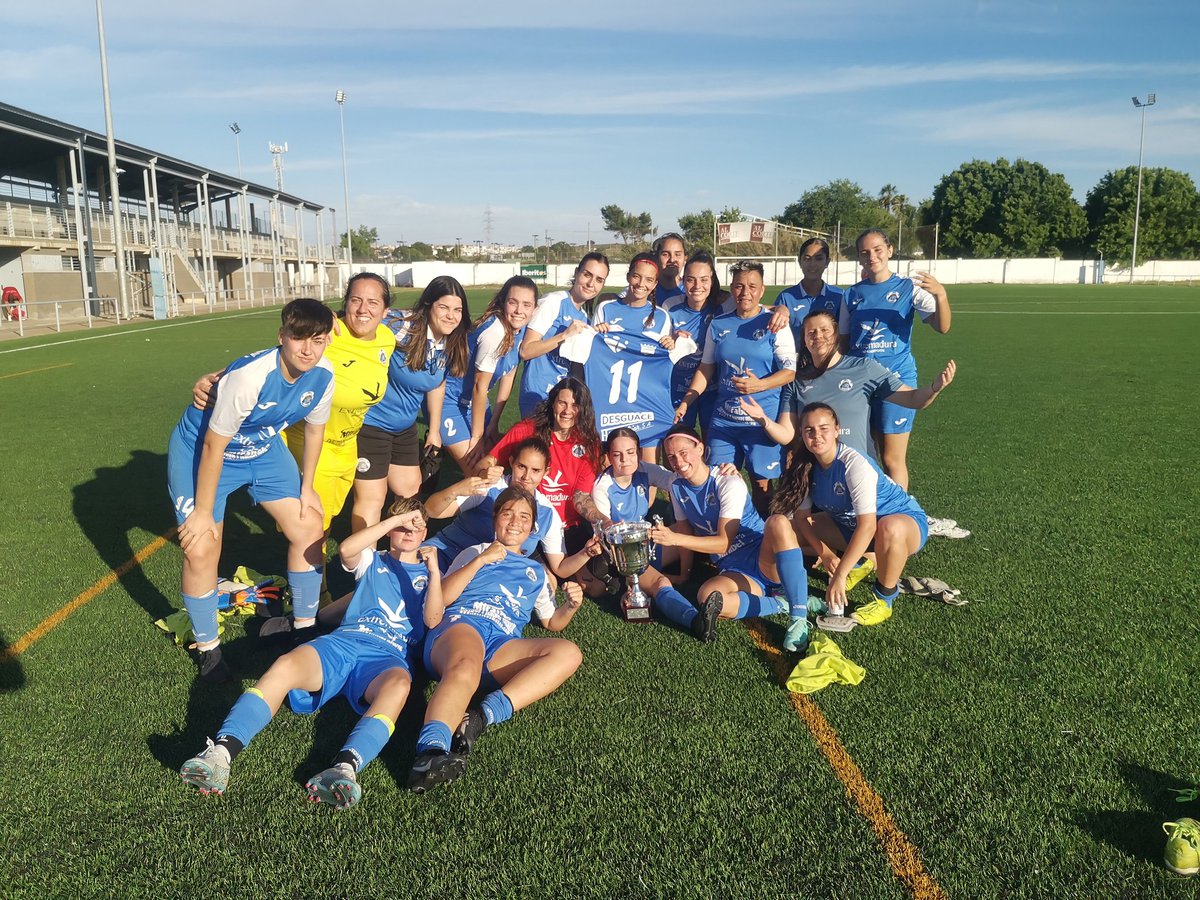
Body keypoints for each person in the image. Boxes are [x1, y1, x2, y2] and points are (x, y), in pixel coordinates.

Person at [179, 497, 440, 809]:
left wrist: (435, 573)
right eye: (402, 522)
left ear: (425, 532)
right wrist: (394, 521)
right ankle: (221, 753)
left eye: (417, 524)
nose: (409, 529)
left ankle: (344, 768)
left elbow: (433, 619)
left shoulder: (433, 574)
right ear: (390, 528)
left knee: (399, 687)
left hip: (388, 657)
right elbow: (346, 550)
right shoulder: (375, 560)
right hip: (345, 642)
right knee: (285, 666)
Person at [167, 298, 335, 681]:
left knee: (309, 524)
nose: (308, 349)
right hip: (205, 449)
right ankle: (208, 649)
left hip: (262, 448)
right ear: (282, 337)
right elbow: (214, 446)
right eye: (299, 338)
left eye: (318, 340)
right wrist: (203, 513)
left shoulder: (323, 374)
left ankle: (304, 629)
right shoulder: (250, 377)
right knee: (202, 545)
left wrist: (307, 487)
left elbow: (314, 429)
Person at [408, 486, 585, 793]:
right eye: (507, 513)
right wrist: (482, 560)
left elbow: (551, 622)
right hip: (461, 626)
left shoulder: (537, 572)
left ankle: (480, 717)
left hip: (500, 642)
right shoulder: (475, 551)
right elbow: (444, 598)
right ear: (495, 520)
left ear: (532, 528)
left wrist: (569, 607)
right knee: (466, 664)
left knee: (569, 653)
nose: (515, 522)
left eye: (524, 517)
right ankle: (431, 751)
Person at [191, 274, 394, 536]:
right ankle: (315, 576)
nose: (363, 309)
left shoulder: (387, 338)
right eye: (356, 300)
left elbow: (427, 313)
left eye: (373, 302)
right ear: (345, 303)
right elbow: (279, 357)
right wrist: (215, 378)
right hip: (311, 442)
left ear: (385, 310)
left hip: (348, 445)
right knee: (312, 525)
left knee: (326, 519)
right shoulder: (329, 333)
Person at [639, 426, 811, 649]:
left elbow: (723, 542)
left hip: (763, 557)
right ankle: (779, 604)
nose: (678, 461)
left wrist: (674, 539)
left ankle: (799, 615)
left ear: (700, 448)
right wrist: (684, 574)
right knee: (706, 595)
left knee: (777, 521)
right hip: (732, 567)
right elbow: (685, 530)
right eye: (671, 456)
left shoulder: (727, 481)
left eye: (684, 452)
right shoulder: (676, 486)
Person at [772, 402, 930, 628]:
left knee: (889, 527)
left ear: (837, 430)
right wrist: (825, 554)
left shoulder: (853, 464)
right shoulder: (805, 466)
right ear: (802, 435)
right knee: (787, 527)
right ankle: (865, 560)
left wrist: (839, 576)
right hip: (853, 527)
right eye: (809, 431)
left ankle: (884, 600)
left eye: (824, 428)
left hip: (902, 526)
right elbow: (801, 518)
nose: (817, 435)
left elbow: (868, 526)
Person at [742, 309, 957, 465]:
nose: (818, 337)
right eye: (811, 333)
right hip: (819, 476)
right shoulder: (798, 380)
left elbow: (912, 400)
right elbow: (788, 434)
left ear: (835, 334)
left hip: (861, 473)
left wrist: (934, 388)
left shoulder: (863, 368)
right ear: (804, 341)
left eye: (824, 330)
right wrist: (763, 420)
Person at [674, 260, 797, 512]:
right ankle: (726, 544)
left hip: (761, 421)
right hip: (725, 421)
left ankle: (767, 541)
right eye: (739, 286)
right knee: (720, 484)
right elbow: (706, 368)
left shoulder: (775, 324)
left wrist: (759, 385)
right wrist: (687, 400)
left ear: (762, 290)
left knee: (762, 487)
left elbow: (789, 372)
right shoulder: (719, 324)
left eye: (752, 286)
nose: (745, 292)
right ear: (732, 289)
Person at [840, 229, 951, 494]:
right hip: (861, 387)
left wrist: (941, 296)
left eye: (878, 249)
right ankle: (872, 513)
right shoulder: (851, 295)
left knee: (892, 459)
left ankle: (901, 515)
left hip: (896, 382)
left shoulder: (908, 289)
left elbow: (942, 327)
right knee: (866, 455)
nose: (872, 256)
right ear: (858, 257)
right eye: (865, 252)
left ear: (889, 251)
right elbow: (844, 344)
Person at [355, 275, 470, 525]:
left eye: (457, 310)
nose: (451, 315)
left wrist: (435, 431)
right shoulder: (401, 325)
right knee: (373, 499)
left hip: (404, 427)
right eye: (444, 307)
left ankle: (400, 554)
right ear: (428, 305)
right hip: (371, 423)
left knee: (410, 492)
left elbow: (437, 384)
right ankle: (363, 561)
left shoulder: (450, 340)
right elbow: (361, 319)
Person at [425, 437, 600, 586]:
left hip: (485, 577)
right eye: (521, 466)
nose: (526, 476)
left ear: (546, 472)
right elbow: (432, 511)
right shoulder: (490, 486)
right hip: (445, 553)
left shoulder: (547, 513)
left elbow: (560, 568)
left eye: (535, 470)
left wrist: (586, 553)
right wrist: (456, 489)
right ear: (511, 463)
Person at [472, 376, 602, 552]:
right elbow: (488, 461)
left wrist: (603, 521)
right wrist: (486, 471)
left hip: (568, 528)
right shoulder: (526, 431)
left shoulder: (588, 444)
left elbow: (580, 496)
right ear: (553, 404)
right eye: (562, 403)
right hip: (527, 528)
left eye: (575, 405)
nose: (567, 411)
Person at [573, 427, 684, 597]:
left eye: (631, 452)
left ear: (639, 453)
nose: (625, 459)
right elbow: (605, 535)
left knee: (687, 533)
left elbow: (680, 481)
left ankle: (680, 573)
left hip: (646, 543)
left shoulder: (646, 470)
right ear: (609, 457)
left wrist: (715, 473)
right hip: (623, 554)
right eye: (617, 455)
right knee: (661, 583)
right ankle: (629, 578)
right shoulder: (603, 486)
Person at [441, 276, 537, 466]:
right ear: (503, 302)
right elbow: (479, 386)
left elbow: (508, 376)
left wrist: (493, 425)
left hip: (476, 404)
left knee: (498, 466)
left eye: (527, 305)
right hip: (449, 402)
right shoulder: (495, 333)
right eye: (513, 302)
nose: (519, 310)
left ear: (534, 308)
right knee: (477, 470)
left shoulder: (521, 331)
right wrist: (477, 438)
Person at [517, 252, 609, 417]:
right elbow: (526, 351)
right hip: (537, 398)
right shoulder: (554, 302)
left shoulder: (586, 319)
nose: (591, 283)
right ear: (576, 272)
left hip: (564, 404)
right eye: (587, 275)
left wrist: (598, 336)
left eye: (599, 280)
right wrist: (564, 336)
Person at [663, 251, 732, 432]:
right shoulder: (670, 307)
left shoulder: (724, 306)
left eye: (704, 280)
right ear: (683, 280)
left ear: (712, 281)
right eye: (691, 279)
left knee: (712, 443)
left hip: (713, 390)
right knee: (675, 439)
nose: (697, 286)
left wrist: (781, 309)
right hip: (677, 388)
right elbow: (660, 344)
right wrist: (672, 340)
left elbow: (756, 309)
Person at [769, 237, 844, 355]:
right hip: (798, 365)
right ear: (800, 262)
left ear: (827, 262)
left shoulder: (839, 296)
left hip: (831, 365)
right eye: (807, 259)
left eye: (818, 258)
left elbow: (845, 335)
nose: (812, 264)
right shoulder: (786, 297)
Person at [652, 232, 688, 304]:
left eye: (677, 254)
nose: (672, 260)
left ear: (685, 258)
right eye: (665, 254)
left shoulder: (691, 291)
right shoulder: (647, 290)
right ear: (657, 257)